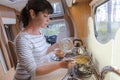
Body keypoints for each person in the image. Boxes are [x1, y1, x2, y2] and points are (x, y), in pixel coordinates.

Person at [13, 0, 74, 80]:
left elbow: (44, 51)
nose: (49, 20)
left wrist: (59, 44)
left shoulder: (39, 33)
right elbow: (33, 71)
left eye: (49, 16)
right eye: (45, 16)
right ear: (33, 14)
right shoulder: (23, 39)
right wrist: (60, 65)